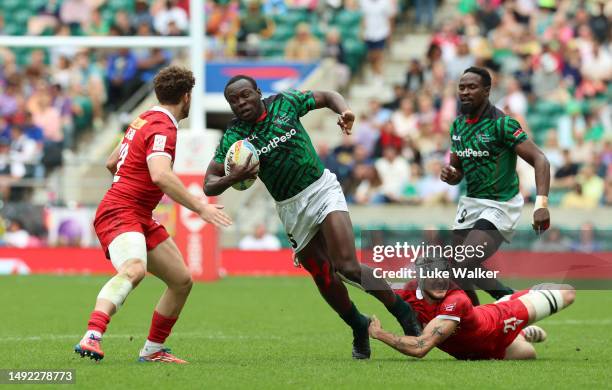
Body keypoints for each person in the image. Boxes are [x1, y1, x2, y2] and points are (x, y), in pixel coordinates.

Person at [204, 75, 421, 360]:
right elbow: (209, 183)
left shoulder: (285, 103)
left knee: (347, 265)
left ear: (258, 92)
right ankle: (359, 325)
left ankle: (404, 313)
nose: (241, 102)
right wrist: (233, 177)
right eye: (234, 100)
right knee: (323, 276)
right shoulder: (235, 136)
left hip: (322, 189)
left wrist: (344, 111)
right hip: (290, 208)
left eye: (245, 95)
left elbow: (329, 95)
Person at [74, 66, 232, 363]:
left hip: (136, 212)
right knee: (134, 269)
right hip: (121, 211)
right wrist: (201, 207)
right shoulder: (164, 127)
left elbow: (112, 162)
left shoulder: (143, 118)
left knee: (181, 280)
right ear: (187, 97)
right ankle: (92, 334)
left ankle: (153, 350)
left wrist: (131, 190)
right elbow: (160, 175)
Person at [440, 67, 551, 305]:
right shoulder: (458, 126)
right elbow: (457, 170)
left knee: (463, 262)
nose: (465, 92)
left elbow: (540, 159)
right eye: (462, 87)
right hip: (471, 202)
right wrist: (451, 174)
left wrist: (541, 204)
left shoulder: (502, 125)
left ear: (487, 91)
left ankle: (499, 308)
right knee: (456, 271)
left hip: (500, 204)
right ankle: (494, 309)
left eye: (472, 87)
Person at [368, 257, 576, 360]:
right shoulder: (408, 294)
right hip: (486, 351)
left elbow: (420, 347)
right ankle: (521, 334)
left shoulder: (456, 300)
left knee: (567, 293)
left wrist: (379, 334)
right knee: (529, 355)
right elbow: (371, 282)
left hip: (502, 319)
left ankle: (514, 299)